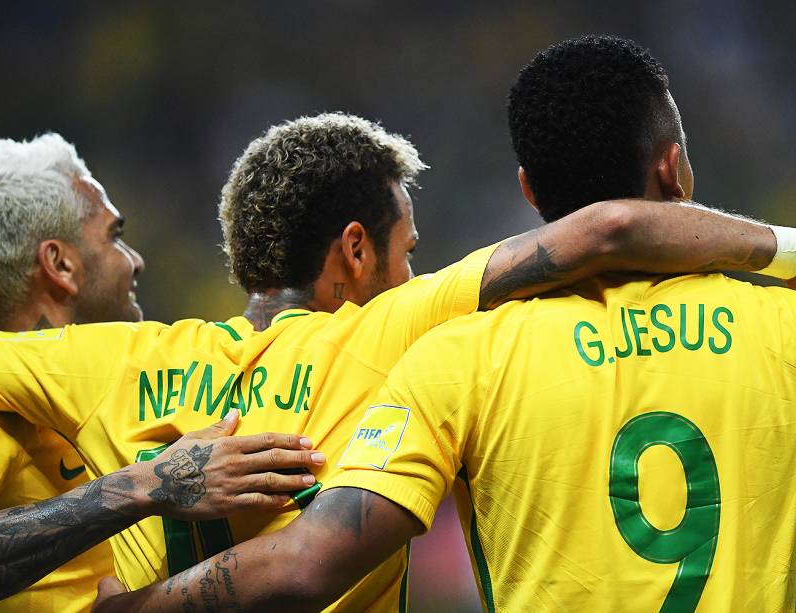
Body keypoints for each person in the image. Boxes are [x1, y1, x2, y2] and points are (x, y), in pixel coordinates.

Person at [0, 112, 789, 611]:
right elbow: (608, 229)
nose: (416, 270)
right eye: (409, 248)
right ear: (357, 252)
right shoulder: (395, 327)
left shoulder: (109, 359)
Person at [96, 37, 796, 612]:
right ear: (674, 172)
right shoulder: (784, 323)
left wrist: (135, 607)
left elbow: (309, 564)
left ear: (529, 190)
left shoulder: (456, 357)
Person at [0, 134, 321, 612]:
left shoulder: (126, 379)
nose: (135, 261)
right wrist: (147, 484)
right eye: (114, 236)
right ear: (60, 264)